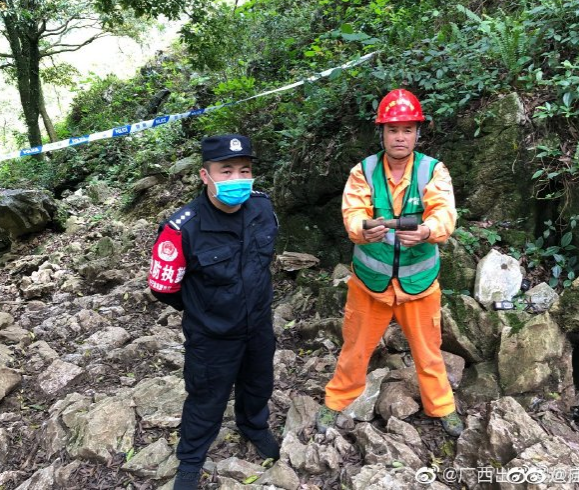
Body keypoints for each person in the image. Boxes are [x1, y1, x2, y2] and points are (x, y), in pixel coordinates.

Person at [316, 89, 464, 437]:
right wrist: (360, 230)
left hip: (420, 284)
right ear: (381, 133)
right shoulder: (363, 171)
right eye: (393, 129)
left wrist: (428, 230)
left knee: (429, 353)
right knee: (354, 349)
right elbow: (353, 212)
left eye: (408, 129)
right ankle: (335, 401)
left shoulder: (432, 170)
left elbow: (445, 212)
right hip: (370, 282)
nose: (400, 136)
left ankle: (442, 408)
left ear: (417, 133)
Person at [148, 134, 280, 489]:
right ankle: (191, 460)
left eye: (244, 170)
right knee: (206, 397)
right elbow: (163, 287)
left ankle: (253, 426)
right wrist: (203, 310)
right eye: (226, 171)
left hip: (258, 324)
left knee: (258, 383)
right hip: (212, 335)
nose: (237, 179)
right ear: (206, 175)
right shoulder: (182, 228)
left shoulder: (262, 208)